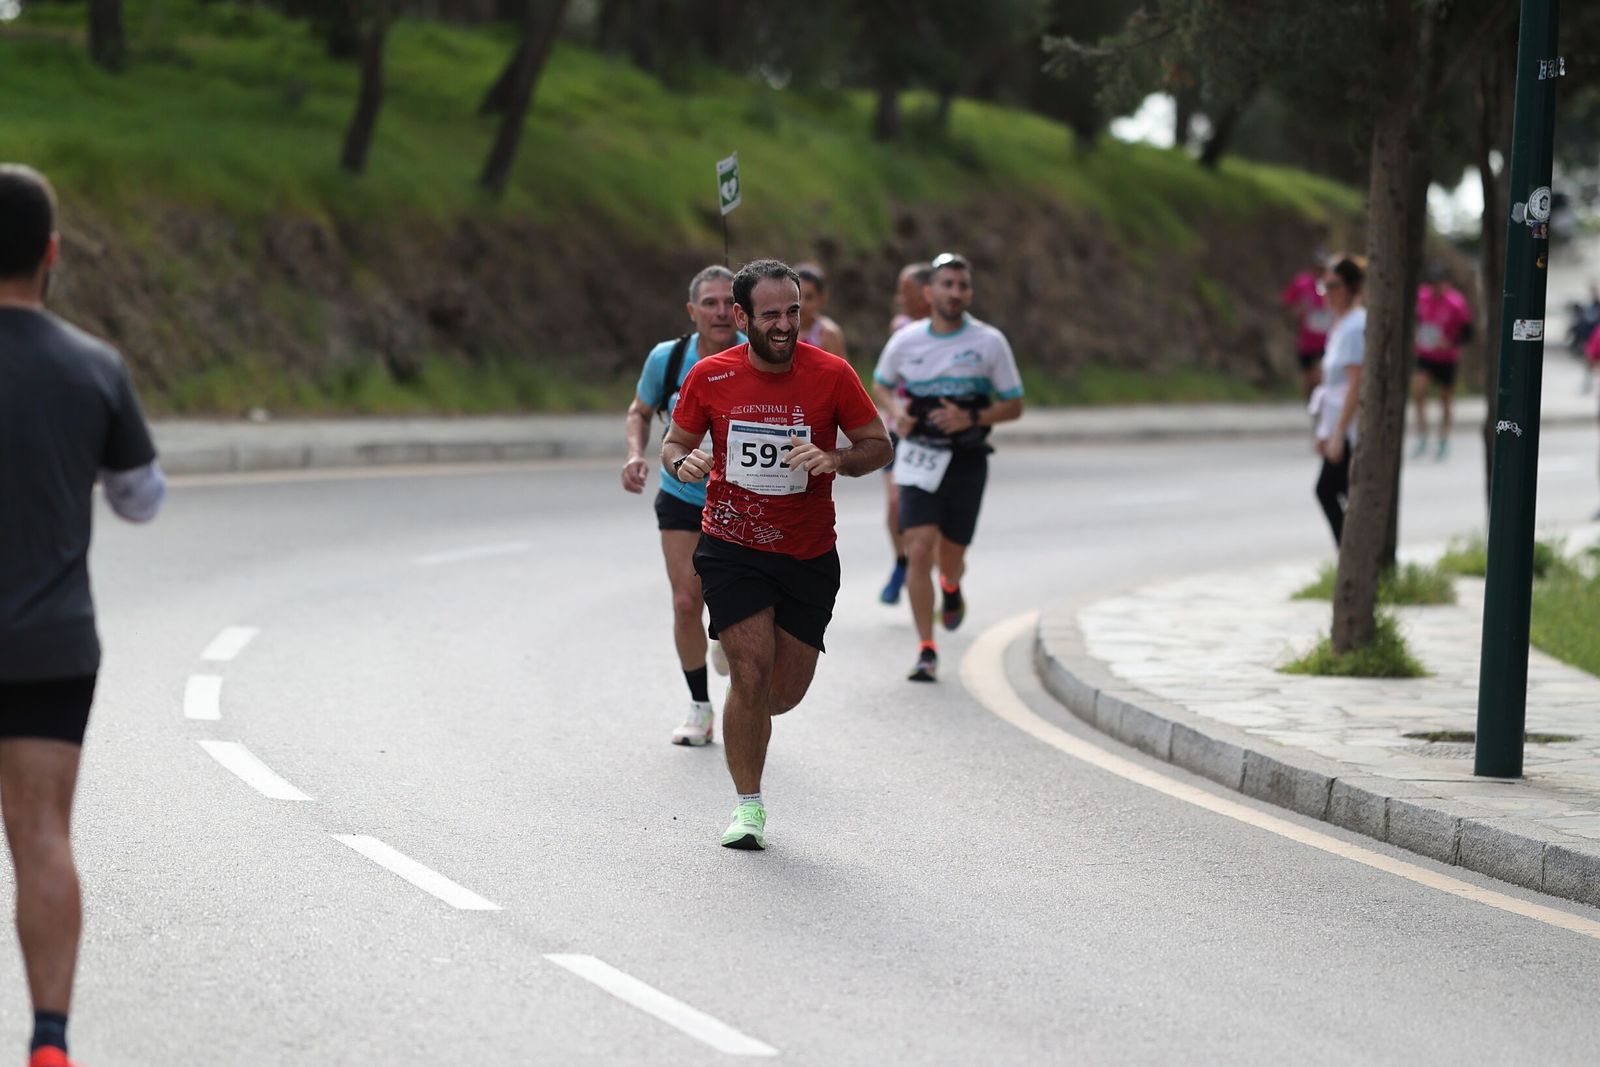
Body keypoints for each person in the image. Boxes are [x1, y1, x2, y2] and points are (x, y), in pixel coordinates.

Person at [0, 164, 166, 1067]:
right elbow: (140, 499)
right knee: (40, 836)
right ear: (51, 254)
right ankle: (50, 1043)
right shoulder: (92, 366)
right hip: (51, 644)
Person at [662, 259, 891, 850]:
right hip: (732, 546)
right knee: (749, 669)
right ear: (741, 317)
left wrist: (835, 459)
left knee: (780, 695)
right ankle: (749, 807)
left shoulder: (832, 374)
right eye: (771, 315)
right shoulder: (710, 377)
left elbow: (879, 446)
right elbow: (676, 443)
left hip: (808, 552)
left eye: (793, 311)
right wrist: (682, 462)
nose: (786, 325)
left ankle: (742, 674)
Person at [872, 253, 1024, 683]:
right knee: (918, 546)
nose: (955, 293)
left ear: (969, 293)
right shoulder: (907, 340)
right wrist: (896, 408)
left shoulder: (989, 342)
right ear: (929, 293)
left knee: (950, 559)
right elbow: (881, 383)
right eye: (947, 285)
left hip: (966, 459)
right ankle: (926, 649)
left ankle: (952, 588)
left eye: (962, 286)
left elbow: (1014, 404)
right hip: (918, 452)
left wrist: (972, 418)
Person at [621, 265, 742, 747]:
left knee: (732, 608)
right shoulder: (668, 359)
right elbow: (640, 410)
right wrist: (635, 453)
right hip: (683, 495)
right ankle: (699, 706)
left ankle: (728, 643)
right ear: (692, 311)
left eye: (728, 303)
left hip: (743, 501)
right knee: (686, 599)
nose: (719, 312)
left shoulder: (757, 358)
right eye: (708, 303)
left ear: (742, 310)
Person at [879, 262, 932, 605]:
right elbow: (884, 379)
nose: (900, 298)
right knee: (896, 505)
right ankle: (901, 563)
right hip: (898, 430)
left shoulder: (947, 332)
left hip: (931, 435)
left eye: (906, 291)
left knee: (929, 517)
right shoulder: (899, 327)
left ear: (928, 294)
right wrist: (897, 411)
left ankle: (938, 573)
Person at [1308, 256, 1366, 546]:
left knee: (1328, 490)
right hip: (1337, 425)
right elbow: (1331, 387)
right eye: (1324, 286)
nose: (1328, 293)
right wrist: (1324, 432)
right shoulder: (1341, 323)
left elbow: (1355, 385)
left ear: (1352, 287)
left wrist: (1338, 435)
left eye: (1334, 286)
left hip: (1350, 428)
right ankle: (1352, 557)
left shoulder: (1356, 326)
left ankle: (1351, 556)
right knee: (1338, 491)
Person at [1410, 265, 1474, 461]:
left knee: (1444, 400)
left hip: (1447, 358)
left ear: (1446, 283)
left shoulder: (1456, 303)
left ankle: (1443, 439)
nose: (1435, 288)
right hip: (1426, 354)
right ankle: (1422, 436)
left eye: (1439, 284)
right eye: (1432, 284)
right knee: (1419, 392)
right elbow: (1415, 319)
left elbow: (1468, 333)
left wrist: (1450, 343)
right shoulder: (1422, 297)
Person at [1282, 253, 1333, 400]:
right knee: (1308, 379)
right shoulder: (1301, 283)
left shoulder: (1333, 284)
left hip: (1326, 341)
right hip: (1306, 341)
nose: (1319, 271)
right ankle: (1311, 406)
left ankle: (1321, 406)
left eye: (1322, 268)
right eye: (1317, 267)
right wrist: (1298, 310)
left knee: (1318, 377)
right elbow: (1287, 306)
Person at [795, 263, 846, 357]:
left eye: (809, 297)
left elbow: (840, 371)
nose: (801, 304)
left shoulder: (828, 334)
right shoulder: (783, 331)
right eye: (798, 296)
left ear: (822, 299)